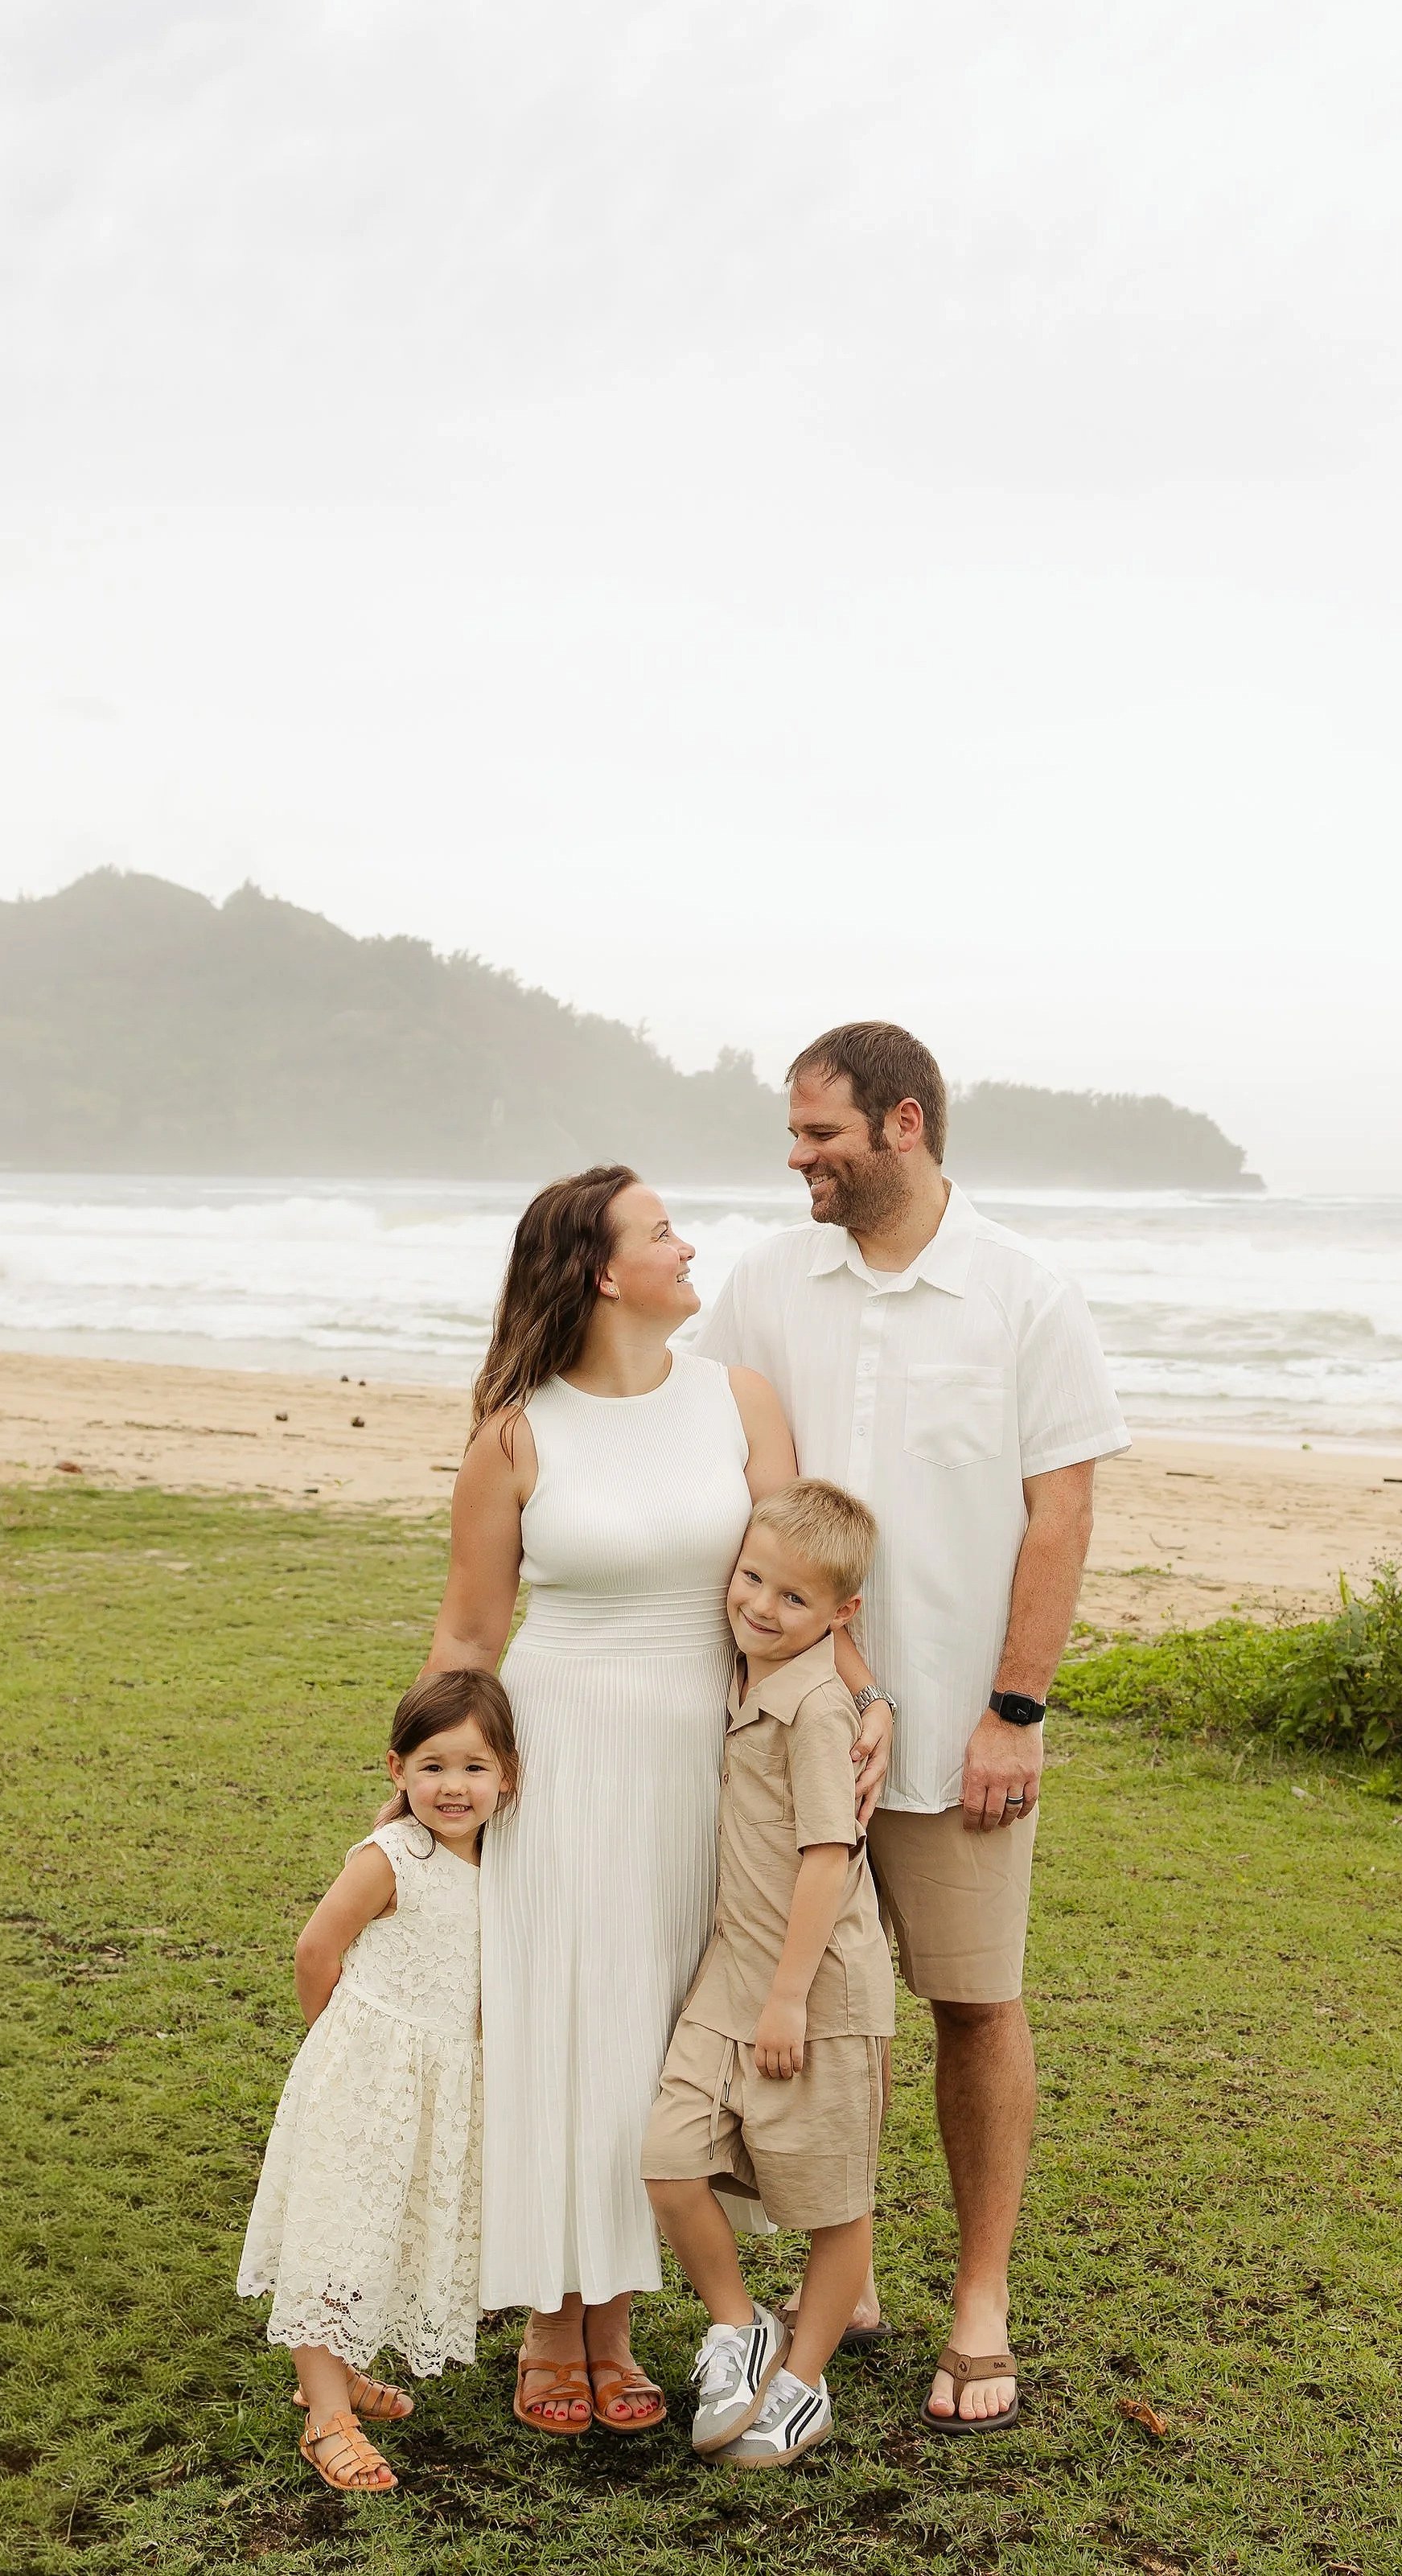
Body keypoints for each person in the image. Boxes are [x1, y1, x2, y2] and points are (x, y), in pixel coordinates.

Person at [693, 1021, 1129, 2432]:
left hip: (958, 1733)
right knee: (824, 2005)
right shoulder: (766, 1282)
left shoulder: (1024, 1292)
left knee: (973, 2002)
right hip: (797, 1732)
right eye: (793, 1136)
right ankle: (848, 2271)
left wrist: (1014, 1709)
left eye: (820, 1135)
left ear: (901, 1123)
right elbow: (694, 1435)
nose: (798, 1160)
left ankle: (983, 2294)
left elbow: (1060, 1513)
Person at [417, 1165, 895, 2436]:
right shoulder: (516, 1434)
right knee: (561, 2022)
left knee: (655, 2027)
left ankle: (619, 2319)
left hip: (708, 1761)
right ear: (599, 1270)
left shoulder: (739, 1400)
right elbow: (467, 1636)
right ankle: (546, 2319)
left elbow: (800, 1568)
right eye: (663, 1231)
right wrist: (425, 1795)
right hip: (561, 1753)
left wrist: (868, 1695)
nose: (690, 1247)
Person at [643, 1480, 895, 2469]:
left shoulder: (817, 1708)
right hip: (728, 1975)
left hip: (816, 1991)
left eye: (792, 1599)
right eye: (751, 1579)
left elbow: (828, 1858)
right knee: (668, 2159)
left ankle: (799, 2386)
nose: (759, 1606)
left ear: (841, 1617)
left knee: (833, 2202)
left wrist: (788, 1997)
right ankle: (740, 2327)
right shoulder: (743, 1671)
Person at [237, 1667, 517, 2494]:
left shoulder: (508, 1862)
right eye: (432, 1766)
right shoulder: (391, 1856)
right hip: (365, 2070)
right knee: (337, 2228)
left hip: (443, 2078)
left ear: (507, 1775)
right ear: (396, 1770)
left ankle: (339, 2370)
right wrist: (342, 2046)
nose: (453, 1786)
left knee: (389, 2227)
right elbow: (315, 1951)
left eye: (474, 1767)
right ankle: (327, 2419)